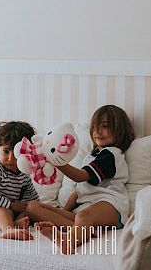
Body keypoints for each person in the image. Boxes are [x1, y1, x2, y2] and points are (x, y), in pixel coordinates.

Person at [25, 105, 134, 254]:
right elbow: (78, 190)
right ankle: (83, 230)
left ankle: (68, 241)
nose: (98, 131)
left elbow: (80, 176)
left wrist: (55, 159)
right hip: (85, 211)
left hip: (110, 205)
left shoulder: (112, 155)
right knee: (32, 207)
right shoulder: (91, 157)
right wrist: (62, 212)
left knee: (83, 216)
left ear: (120, 131)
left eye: (105, 126)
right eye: (95, 127)